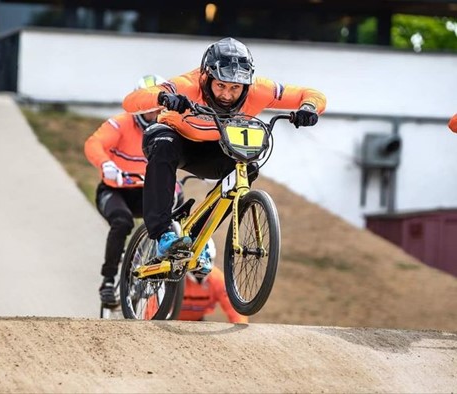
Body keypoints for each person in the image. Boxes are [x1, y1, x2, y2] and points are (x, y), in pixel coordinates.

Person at [122, 37, 327, 278]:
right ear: (206, 77)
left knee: (248, 167)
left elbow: (310, 93)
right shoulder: (187, 84)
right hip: (175, 142)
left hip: (213, 151)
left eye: (235, 88)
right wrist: (163, 98)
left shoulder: (260, 90)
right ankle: (163, 233)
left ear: (246, 85)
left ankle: (197, 239)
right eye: (220, 85)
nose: (227, 95)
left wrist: (309, 108)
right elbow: (130, 102)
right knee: (164, 144)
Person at [85, 74, 173, 305]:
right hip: (115, 191)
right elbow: (94, 143)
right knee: (122, 221)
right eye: (148, 109)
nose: (153, 114)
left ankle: (159, 263)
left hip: (146, 192)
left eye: (157, 109)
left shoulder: (169, 126)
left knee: (173, 213)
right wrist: (106, 164)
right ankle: (107, 280)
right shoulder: (121, 123)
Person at [178, 239, 248, 324]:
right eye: (197, 264)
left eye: (206, 262)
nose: (200, 269)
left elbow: (235, 310)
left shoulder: (218, 279)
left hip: (197, 322)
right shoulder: (174, 278)